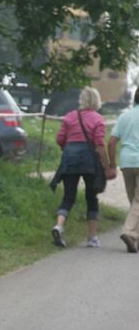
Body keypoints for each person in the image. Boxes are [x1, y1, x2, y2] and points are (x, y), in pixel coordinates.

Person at [51, 87, 115, 248]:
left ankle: (59, 225)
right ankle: (92, 237)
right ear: (97, 101)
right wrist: (107, 167)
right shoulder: (98, 119)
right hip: (89, 162)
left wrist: (69, 150)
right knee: (91, 198)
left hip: (70, 159)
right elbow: (100, 144)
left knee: (68, 196)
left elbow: (60, 139)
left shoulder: (70, 117)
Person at [108, 87, 139, 253]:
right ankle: (128, 232)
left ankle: (134, 237)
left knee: (134, 200)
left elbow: (111, 142)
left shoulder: (124, 116)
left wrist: (112, 164)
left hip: (127, 162)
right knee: (138, 201)